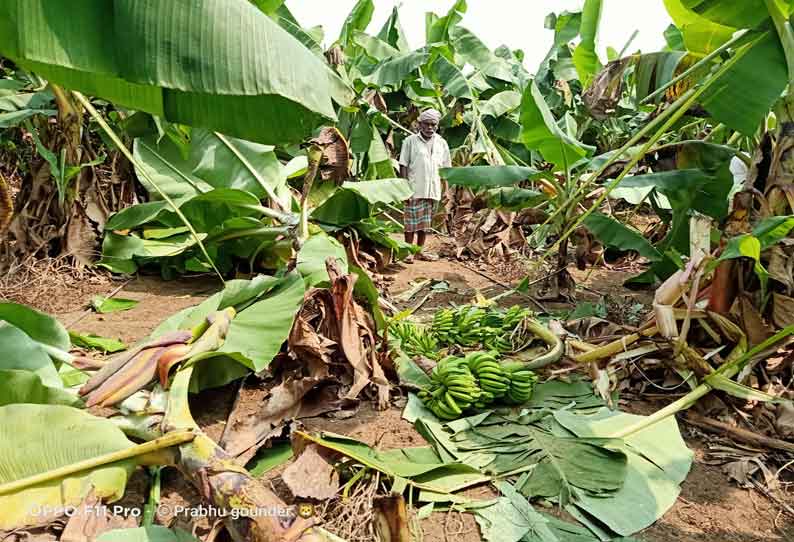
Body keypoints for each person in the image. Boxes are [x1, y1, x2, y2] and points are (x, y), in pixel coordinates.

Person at [398, 108, 451, 263]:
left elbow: (446, 169)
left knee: (424, 224)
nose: (429, 128)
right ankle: (408, 251)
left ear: (437, 126)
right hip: (414, 188)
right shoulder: (410, 141)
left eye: (433, 125)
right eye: (426, 124)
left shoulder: (442, 143)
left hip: (432, 189)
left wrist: (446, 190)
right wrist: (404, 188)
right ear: (419, 125)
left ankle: (419, 251)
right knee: (410, 223)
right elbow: (403, 165)